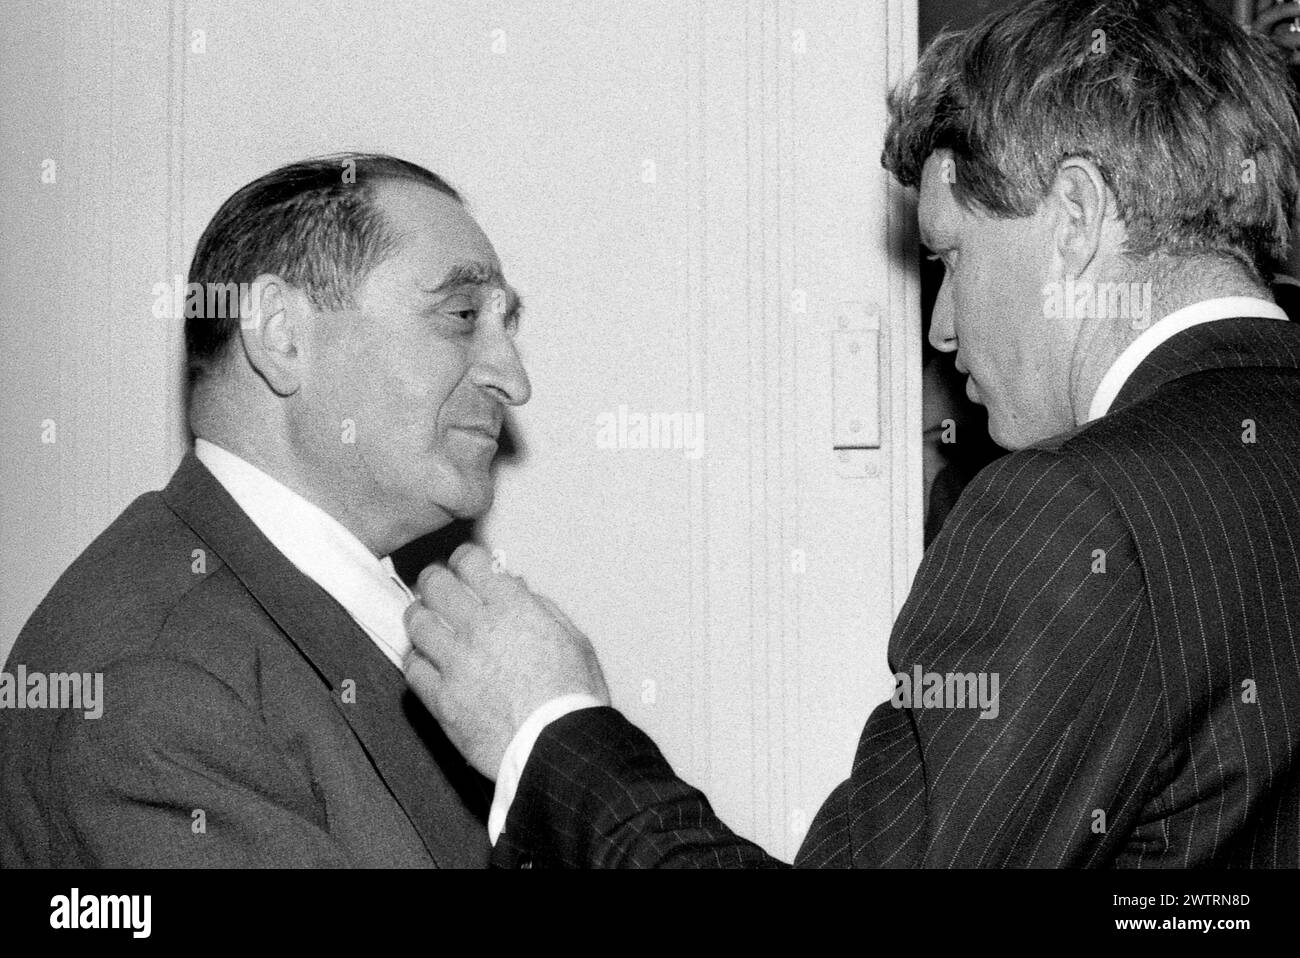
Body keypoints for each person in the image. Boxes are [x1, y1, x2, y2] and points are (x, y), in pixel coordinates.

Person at [405, 0, 1300, 867]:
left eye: (951, 257)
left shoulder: (1074, 514)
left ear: (1073, 217)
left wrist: (552, 729)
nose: (942, 326)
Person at [0, 153, 530, 866]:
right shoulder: (156, 687)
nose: (512, 378)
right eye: (462, 315)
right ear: (281, 334)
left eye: (506, 324)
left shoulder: (329, 617)